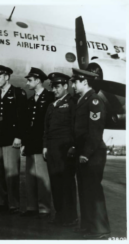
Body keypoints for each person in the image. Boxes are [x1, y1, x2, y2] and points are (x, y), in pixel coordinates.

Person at [70, 68, 110, 239]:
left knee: (93, 191)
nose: (73, 85)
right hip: (83, 152)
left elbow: (95, 132)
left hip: (92, 153)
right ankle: (87, 226)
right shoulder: (82, 100)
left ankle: (101, 229)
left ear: (84, 82)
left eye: (75, 82)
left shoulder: (94, 101)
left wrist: (86, 153)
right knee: (85, 190)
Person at [0, 65, 27, 214]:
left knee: (11, 174)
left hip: (11, 139)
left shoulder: (18, 93)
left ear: (6, 77)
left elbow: (22, 117)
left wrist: (19, 136)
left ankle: (13, 204)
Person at [43, 72, 77, 226]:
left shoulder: (72, 103)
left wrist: (74, 146)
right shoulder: (51, 105)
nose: (54, 90)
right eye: (53, 87)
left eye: (57, 87)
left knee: (67, 183)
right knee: (55, 183)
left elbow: (76, 127)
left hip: (65, 150)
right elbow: (46, 128)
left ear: (65, 86)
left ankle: (70, 217)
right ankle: (59, 214)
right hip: (52, 150)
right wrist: (44, 146)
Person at [22, 67, 54, 218]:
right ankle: (31, 207)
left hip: (42, 144)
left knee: (42, 178)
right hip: (30, 144)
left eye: (30, 80)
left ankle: (44, 208)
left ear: (38, 81)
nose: (27, 83)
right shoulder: (30, 100)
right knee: (30, 178)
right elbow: (27, 124)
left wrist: (47, 145)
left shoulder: (50, 98)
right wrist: (24, 143)